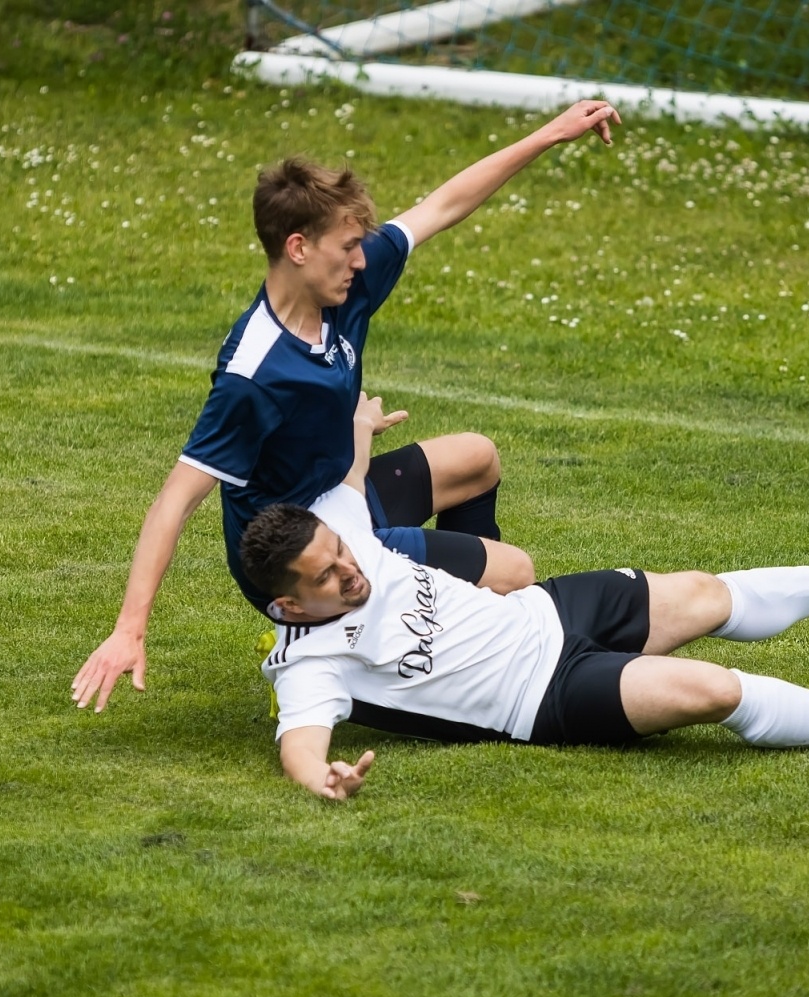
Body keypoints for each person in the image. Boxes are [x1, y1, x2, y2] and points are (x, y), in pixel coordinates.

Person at [71, 100, 625, 713]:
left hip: (347, 493)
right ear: (299, 248)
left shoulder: (343, 286)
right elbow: (175, 499)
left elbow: (439, 207)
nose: (363, 261)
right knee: (514, 571)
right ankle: (390, 635)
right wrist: (130, 628)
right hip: (308, 552)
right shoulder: (255, 374)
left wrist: (549, 134)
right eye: (349, 248)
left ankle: (449, 628)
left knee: (476, 458)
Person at [241, 397, 809, 800]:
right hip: (545, 696)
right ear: (292, 608)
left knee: (705, 594)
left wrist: (361, 430)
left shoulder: (335, 530)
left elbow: (351, 484)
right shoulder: (307, 662)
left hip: (550, 611)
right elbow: (300, 744)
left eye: (340, 553)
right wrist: (322, 777)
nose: (349, 570)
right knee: (709, 689)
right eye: (328, 578)